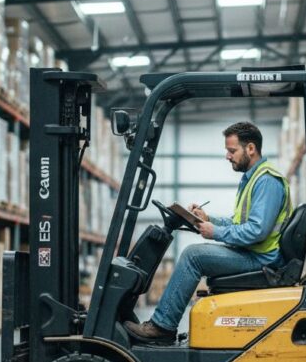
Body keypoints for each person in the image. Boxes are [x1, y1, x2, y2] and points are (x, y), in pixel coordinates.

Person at [124, 121, 292, 345]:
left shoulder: (267, 181)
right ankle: (161, 324)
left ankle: (162, 326)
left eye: (232, 151)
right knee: (195, 254)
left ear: (250, 148)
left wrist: (215, 232)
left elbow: (256, 231)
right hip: (253, 253)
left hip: (261, 259)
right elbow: (239, 221)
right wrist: (208, 219)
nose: (227, 156)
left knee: (193, 256)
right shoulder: (253, 178)